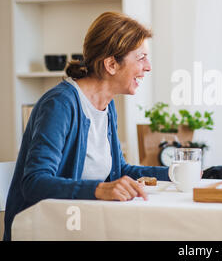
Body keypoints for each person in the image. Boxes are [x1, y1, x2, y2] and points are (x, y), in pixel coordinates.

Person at [3, 12, 169, 241]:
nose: (148, 67)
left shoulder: (106, 105)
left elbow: (118, 171)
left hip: (81, 224)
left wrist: (174, 172)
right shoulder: (60, 104)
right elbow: (35, 182)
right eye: (141, 58)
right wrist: (100, 189)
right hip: (45, 229)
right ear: (111, 64)